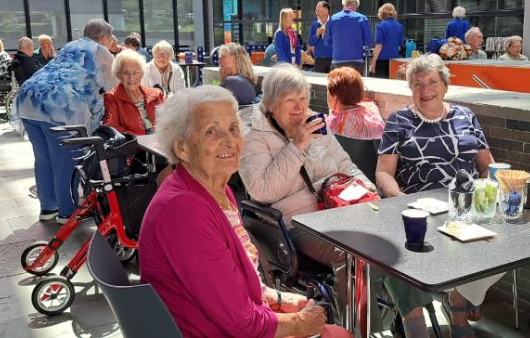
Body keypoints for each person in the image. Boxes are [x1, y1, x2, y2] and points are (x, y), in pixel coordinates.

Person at [139, 85, 350, 338]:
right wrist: (300, 323)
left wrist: (278, 297)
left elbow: (234, 281)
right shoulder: (183, 211)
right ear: (182, 148)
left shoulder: (217, 190)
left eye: (233, 128)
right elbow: (241, 324)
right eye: (210, 131)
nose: (229, 141)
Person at [239, 64, 433, 338]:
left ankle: (416, 331)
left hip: (341, 211)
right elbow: (261, 191)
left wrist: (369, 193)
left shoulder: (314, 122)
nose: (299, 108)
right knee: (356, 257)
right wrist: (297, 145)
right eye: (290, 101)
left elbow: (346, 164)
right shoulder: (254, 136)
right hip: (299, 225)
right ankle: (364, 332)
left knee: (395, 242)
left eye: (303, 99)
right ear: (270, 103)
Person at [375, 54, 504, 338]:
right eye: (417, 84)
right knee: (399, 249)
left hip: (467, 208)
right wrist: (398, 198)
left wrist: (491, 190)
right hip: (421, 209)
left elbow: (487, 165)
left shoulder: (465, 116)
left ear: (445, 85)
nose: (425, 90)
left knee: (510, 246)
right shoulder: (399, 121)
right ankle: (420, 324)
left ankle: (457, 300)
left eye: (432, 82)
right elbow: (383, 172)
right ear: (411, 89)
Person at [16, 18, 118, 224]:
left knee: (43, 158)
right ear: (105, 38)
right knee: (65, 160)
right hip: (59, 105)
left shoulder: (72, 45)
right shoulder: (101, 51)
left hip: (28, 98)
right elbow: (113, 85)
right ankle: (67, 212)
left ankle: (48, 207)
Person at [103, 49, 164, 135]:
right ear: (119, 75)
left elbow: (170, 120)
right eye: (126, 73)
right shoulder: (112, 97)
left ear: (142, 74)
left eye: (135, 73)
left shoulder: (156, 94)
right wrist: (135, 137)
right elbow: (111, 126)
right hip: (135, 145)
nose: (131, 78)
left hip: (159, 142)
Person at [326, 67, 384, 139]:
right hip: (371, 150)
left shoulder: (331, 123)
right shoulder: (372, 112)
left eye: (328, 91)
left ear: (334, 95)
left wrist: (332, 107)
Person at [326, 0, 372, 73]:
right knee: (355, 85)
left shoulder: (333, 19)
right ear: (356, 6)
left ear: (343, 4)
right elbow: (368, 41)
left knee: (339, 85)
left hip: (338, 61)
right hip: (357, 61)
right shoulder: (362, 19)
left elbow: (327, 42)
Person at [369, 3, 403, 78]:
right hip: (394, 60)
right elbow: (400, 45)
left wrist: (373, 62)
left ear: (382, 13)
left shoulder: (380, 25)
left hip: (382, 61)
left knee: (379, 86)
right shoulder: (400, 26)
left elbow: (379, 46)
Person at [309, 1, 332, 73]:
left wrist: (326, 33)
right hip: (318, 60)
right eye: (316, 11)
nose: (317, 13)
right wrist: (317, 34)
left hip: (332, 59)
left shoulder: (333, 22)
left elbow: (336, 40)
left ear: (326, 11)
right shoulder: (314, 24)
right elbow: (311, 42)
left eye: (320, 11)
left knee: (333, 82)